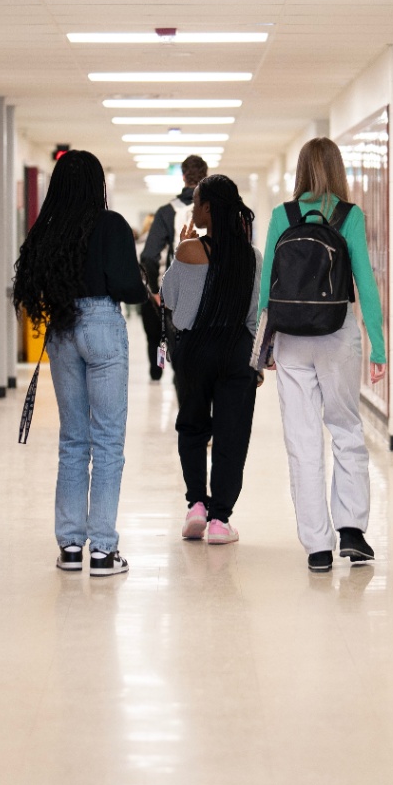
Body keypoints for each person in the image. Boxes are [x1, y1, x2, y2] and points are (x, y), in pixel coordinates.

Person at [10, 150, 147, 576]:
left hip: (63, 328)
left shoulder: (47, 229)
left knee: (73, 439)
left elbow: (33, 284)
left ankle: (70, 546)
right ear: (96, 185)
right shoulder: (111, 224)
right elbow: (130, 287)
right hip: (102, 324)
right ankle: (103, 550)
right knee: (107, 441)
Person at [257, 137, 386, 573]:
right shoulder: (349, 215)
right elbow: (365, 283)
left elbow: (267, 286)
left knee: (303, 440)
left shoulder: (283, 215)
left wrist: (263, 343)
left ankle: (317, 546)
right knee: (346, 429)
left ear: (300, 169)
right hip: (337, 334)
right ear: (337, 169)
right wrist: (379, 346)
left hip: (292, 337)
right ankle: (351, 531)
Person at [157, 175, 261, 547]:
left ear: (208, 208)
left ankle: (197, 506)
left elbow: (169, 299)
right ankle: (220, 521)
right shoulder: (251, 256)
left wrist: (180, 251)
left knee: (193, 427)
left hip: (195, 350)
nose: (193, 209)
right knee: (232, 436)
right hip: (237, 350)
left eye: (197, 201)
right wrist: (255, 362)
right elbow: (254, 314)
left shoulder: (189, 249)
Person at [138, 155, 208, 381]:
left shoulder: (167, 212)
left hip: (178, 296)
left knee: (180, 352)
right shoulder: (218, 209)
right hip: (213, 293)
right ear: (206, 176)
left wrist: (156, 291)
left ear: (183, 176)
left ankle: (176, 380)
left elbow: (149, 256)